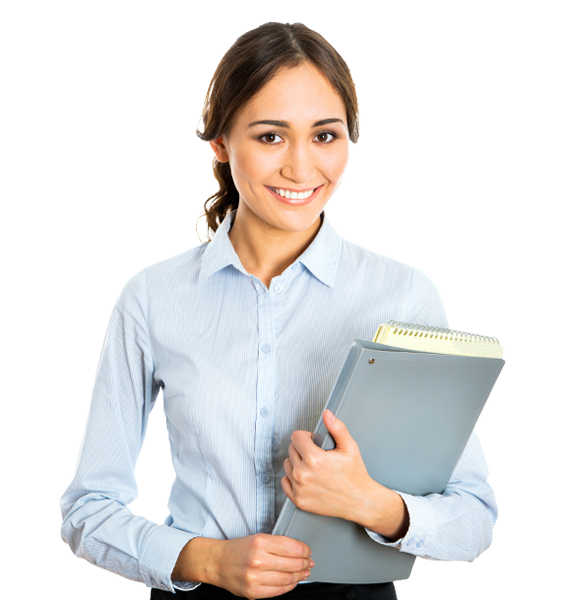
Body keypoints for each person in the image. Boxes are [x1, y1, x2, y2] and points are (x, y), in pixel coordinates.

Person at [59, 22, 497, 600]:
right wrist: (207, 560)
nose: (300, 167)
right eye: (269, 137)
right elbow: (86, 509)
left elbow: (473, 517)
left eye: (324, 136)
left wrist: (371, 503)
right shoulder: (151, 299)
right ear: (220, 143)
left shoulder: (404, 297)